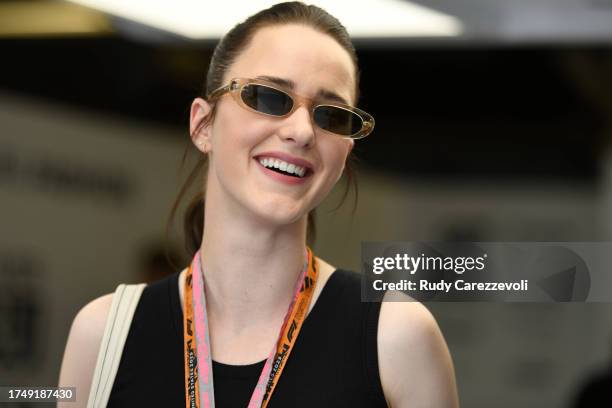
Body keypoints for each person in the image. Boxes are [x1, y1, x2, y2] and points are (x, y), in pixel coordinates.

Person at [58, 2, 459, 407]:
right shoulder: (105, 333)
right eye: (269, 97)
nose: (302, 131)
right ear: (202, 124)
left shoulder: (395, 336)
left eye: (330, 115)